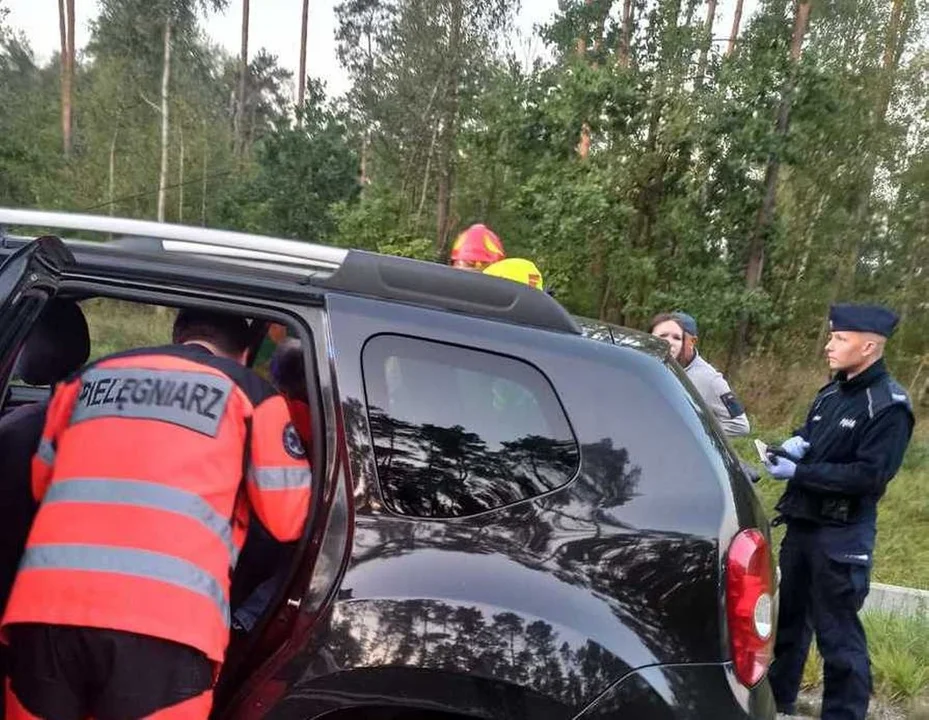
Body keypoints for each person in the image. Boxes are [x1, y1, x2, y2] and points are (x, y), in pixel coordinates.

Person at [1, 308, 311, 720]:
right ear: (245, 352)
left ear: (175, 336)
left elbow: (42, 483)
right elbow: (288, 519)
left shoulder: (84, 381)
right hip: (167, 627)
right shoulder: (253, 394)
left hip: (45, 615)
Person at [763, 303, 914, 720]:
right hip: (804, 527)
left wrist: (802, 470)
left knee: (839, 638)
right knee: (790, 626)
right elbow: (812, 433)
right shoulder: (832, 392)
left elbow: (869, 476)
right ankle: (779, 704)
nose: (829, 345)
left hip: (842, 536)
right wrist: (795, 444)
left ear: (868, 346)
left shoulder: (888, 406)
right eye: (832, 336)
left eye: (839, 339)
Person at [649, 312, 750, 437]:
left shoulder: (709, 379)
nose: (669, 343)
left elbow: (739, 425)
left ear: (693, 341)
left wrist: (695, 432)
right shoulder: (653, 364)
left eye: (678, 337)